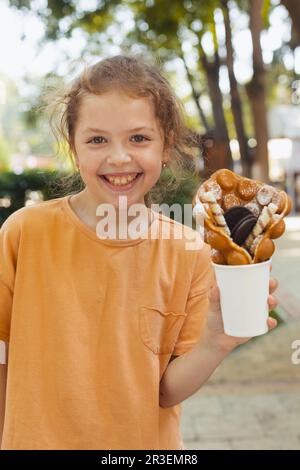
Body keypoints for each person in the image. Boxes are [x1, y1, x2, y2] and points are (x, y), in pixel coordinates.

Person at [0, 55, 278, 450]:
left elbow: (166, 391)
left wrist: (216, 339)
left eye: (139, 138)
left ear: (165, 146)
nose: (118, 157)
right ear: (74, 148)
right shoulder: (24, 234)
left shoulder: (190, 254)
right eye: (97, 139)